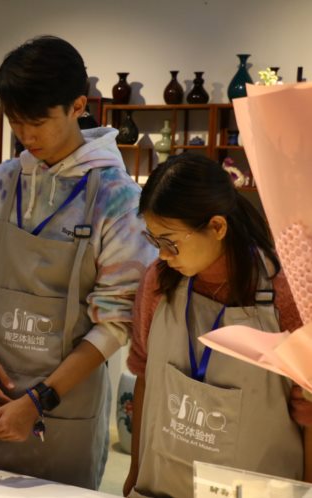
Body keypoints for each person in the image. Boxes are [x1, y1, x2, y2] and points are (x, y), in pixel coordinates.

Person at [0, 35, 157, 489]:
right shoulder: (2, 183)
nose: (26, 136)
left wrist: (41, 399)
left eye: (38, 122)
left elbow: (118, 318)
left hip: (66, 400)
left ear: (77, 105)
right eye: (15, 122)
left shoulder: (117, 198)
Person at [124, 153, 312, 498]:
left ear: (217, 227)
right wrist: (134, 470)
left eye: (171, 241)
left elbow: (309, 415)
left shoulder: (286, 296)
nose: (163, 255)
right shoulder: (158, 284)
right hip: (160, 487)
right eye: (155, 241)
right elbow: (144, 376)